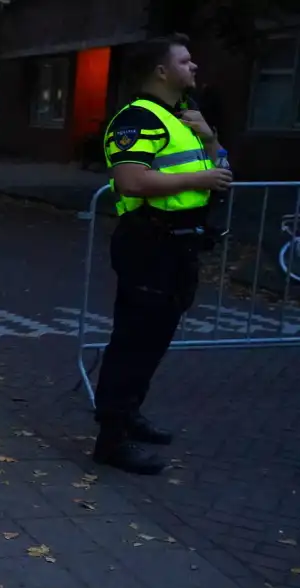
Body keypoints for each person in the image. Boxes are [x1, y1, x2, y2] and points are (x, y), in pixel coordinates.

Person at [92, 33, 233, 475]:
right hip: (148, 243)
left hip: (179, 245)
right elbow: (131, 181)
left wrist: (210, 141)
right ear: (161, 71)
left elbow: (221, 175)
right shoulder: (137, 118)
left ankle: (130, 414)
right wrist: (200, 181)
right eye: (186, 60)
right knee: (133, 341)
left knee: (154, 341)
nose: (194, 67)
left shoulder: (184, 120)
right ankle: (110, 438)